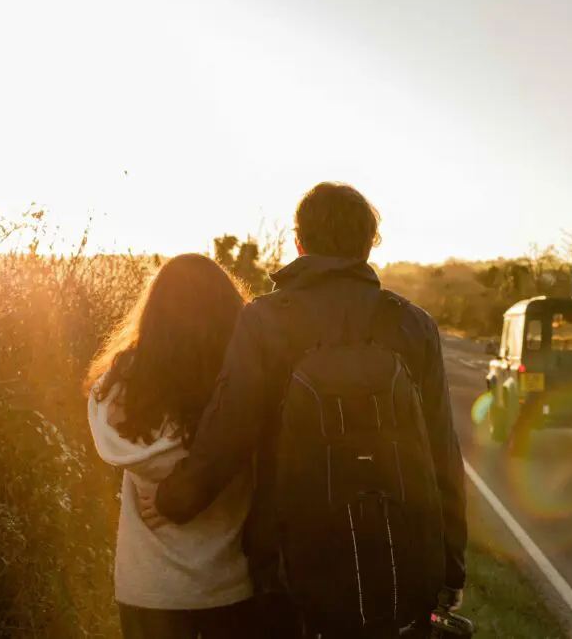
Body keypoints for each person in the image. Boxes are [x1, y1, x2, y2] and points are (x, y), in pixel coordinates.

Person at [143, 182, 468, 638]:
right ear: (368, 245)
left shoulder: (265, 320)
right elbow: (443, 454)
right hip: (404, 564)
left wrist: (174, 500)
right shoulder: (413, 325)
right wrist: (452, 567)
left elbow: (228, 433)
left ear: (299, 242)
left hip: (291, 569)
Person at [84, 253, 259, 639]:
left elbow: (97, 402)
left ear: (155, 311)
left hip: (148, 585)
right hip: (228, 582)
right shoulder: (240, 383)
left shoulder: (124, 385)